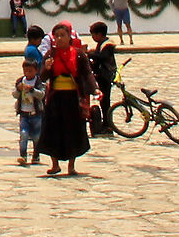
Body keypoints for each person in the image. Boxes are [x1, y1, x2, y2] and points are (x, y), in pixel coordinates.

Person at [36, 24, 93, 174]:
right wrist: (47, 68)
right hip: (55, 99)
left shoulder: (79, 55)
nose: (60, 38)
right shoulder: (50, 55)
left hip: (73, 98)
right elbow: (42, 77)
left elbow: (87, 74)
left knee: (73, 130)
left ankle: (71, 166)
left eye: (63, 35)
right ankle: (55, 164)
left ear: (69, 37)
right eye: (57, 36)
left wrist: (95, 89)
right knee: (53, 130)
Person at [87, 21, 119, 136]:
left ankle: (107, 125)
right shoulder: (101, 43)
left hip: (105, 76)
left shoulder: (107, 45)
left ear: (99, 34)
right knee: (103, 101)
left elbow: (103, 57)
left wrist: (89, 54)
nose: (93, 37)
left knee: (105, 102)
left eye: (93, 35)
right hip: (101, 76)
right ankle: (106, 124)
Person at [13, 55, 46, 166]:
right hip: (24, 113)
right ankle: (23, 155)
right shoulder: (20, 81)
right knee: (24, 135)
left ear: (36, 71)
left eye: (30, 71)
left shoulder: (38, 82)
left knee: (36, 136)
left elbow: (42, 95)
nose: (27, 73)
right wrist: (19, 89)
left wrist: (32, 90)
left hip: (36, 113)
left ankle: (36, 155)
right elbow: (14, 94)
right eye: (25, 71)